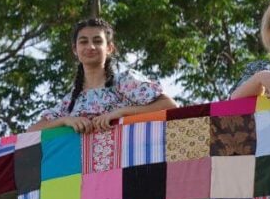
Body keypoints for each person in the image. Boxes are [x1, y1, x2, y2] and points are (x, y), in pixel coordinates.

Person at [28, 18, 176, 134]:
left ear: (109, 48)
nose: (90, 47)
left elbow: (169, 105)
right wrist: (66, 121)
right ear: (75, 49)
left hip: (125, 166)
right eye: (83, 42)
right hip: (86, 172)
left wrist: (120, 113)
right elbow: (32, 131)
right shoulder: (71, 100)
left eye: (97, 41)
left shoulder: (125, 82)